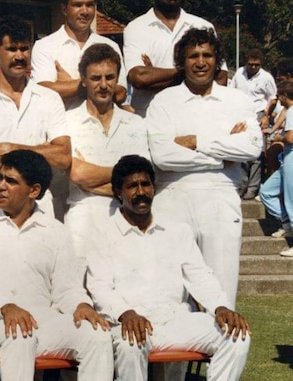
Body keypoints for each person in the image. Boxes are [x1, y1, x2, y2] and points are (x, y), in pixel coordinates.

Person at [86, 155, 251, 381]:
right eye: (132, 186)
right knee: (130, 343)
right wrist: (127, 314)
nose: (141, 192)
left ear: (154, 188)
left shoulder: (177, 229)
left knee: (237, 336)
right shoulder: (102, 233)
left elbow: (200, 275)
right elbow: (100, 287)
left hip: (176, 319)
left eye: (146, 184)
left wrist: (220, 306)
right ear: (118, 192)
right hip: (131, 322)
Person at [0, 150, 113, 380]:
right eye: (0, 178)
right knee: (20, 334)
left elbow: (66, 287)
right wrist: (5, 305)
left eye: (10, 181)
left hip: (44, 320)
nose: (0, 186)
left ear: (34, 190)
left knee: (98, 335)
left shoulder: (55, 230)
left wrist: (81, 305)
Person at [146, 28, 261, 307]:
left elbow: (252, 146)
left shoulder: (237, 100)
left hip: (221, 197)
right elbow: (161, 155)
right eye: (193, 56)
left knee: (220, 295)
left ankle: (222, 351)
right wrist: (222, 154)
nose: (200, 62)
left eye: (207, 55)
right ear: (182, 62)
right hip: (173, 197)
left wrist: (195, 141)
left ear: (217, 59)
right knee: (174, 294)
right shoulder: (164, 101)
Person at [0, 16, 71, 217]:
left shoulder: (49, 98)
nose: (20, 56)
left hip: (38, 205)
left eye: (24, 49)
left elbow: (63, 157)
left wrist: (9, 149)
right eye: (12, 49)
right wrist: (41, 152)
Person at [64, 43, 148, 276]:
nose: (103, 85)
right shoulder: (67, 122)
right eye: (95, 78)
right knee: (80, 293)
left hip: (125, 216)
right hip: (82, 217)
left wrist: (91, 177)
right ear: (83, 80)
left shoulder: (135, 123)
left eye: (110, 77)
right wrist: (124, 177)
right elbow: (77, 174)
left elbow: (143, 179)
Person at [124, 0, 226, 117]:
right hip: (149, 117)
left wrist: (155, 76)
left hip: (195, 115)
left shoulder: (202, 26)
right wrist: (189, 72)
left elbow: (221, 78)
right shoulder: (136, 28)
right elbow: (138, 78)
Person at [31, 0, 126, 110]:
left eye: (89, 5)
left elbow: (121, 93)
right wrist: (95, 86)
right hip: (62, 127)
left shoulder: (110, 46)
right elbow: (43, 92)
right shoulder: (45, 46)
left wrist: (69, 85)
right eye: (77, 5)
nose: (85, 11)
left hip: (99, 127)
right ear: (64, 9)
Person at [230, 48, 276, 199]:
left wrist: (266, 115)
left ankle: (253, 187)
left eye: (256, 65)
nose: (253, 67)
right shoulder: (239, 73)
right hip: (241, 114)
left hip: (258, 113)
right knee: (241, 149)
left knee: (256, 152)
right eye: (251, 64)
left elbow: (273, 98)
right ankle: (241, 185)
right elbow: (232, 92)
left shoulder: (266, 77)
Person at [259, 80, 293, 254]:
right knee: (267, 192)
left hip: (291, 157)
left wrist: (280, 137)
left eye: (279, 96)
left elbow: (292, 138)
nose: (278, 100)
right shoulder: (289, 111)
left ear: (285, 96)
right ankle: (287, 224)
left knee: (291, 199)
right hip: (286, 158)